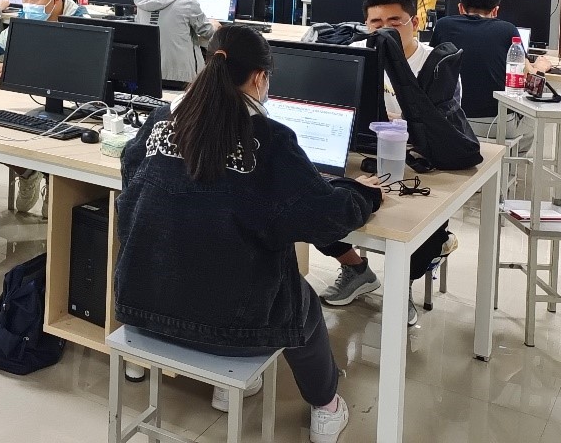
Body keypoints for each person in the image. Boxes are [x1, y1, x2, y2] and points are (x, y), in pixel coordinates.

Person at [116, 25, 381, 438]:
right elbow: (326, 218)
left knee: (208, 258)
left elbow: (132, 175)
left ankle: (229, 385)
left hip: (142, 306)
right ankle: (327, 407)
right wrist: (364, 194)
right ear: (259, 77)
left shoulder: (160, 120)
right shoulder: (269, 139)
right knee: (303, 303)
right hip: (237, 327)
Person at [317, 0, 460, 324]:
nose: (385, 30)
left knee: (424, 227)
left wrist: (404, 123)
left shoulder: (435, 64)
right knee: (311, 204)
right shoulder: (356, 54)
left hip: (423, 166)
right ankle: (356, 269)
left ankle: (401, 285)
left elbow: (446, 126)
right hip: (361, 156)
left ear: (415, 22)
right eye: (376, 23)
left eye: (395, 22)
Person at [0, 0, 88, 216]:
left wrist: (15, 67)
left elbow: (76, 69)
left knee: (57, 142)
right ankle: (28, 173)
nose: (28, 4)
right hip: (28, 99)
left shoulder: (80, 22)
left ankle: (55, 183)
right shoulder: (25, 18)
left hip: (68, 103)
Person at [431, 0, 550, 145]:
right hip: (496, 123)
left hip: (449, 120)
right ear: (495, 11)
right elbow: (529, 77)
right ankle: (513, 159)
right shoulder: (507, 30)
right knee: (533, 117)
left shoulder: (443, 25)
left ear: (460, 8)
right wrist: (540, 67)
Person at [134, 0, 219, 88]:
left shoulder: (142, 3)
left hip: (151, 75)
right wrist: (215, 25)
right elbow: (209, 33)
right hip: (182, 78)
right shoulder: (188, 3)